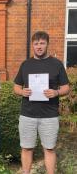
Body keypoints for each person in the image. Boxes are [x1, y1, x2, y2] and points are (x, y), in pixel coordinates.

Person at [14, 31, 70, 174]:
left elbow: (66, 87)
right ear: (32, 45)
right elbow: (16, 87)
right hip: (28, 114)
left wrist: (56, 92)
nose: (39, 46)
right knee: (26, 148)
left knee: (50, 148)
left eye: (42, 43)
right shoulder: (26, 64)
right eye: (36, 43)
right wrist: (22, 92)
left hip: (49, 115)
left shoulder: (57, 64)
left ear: (47, 44)